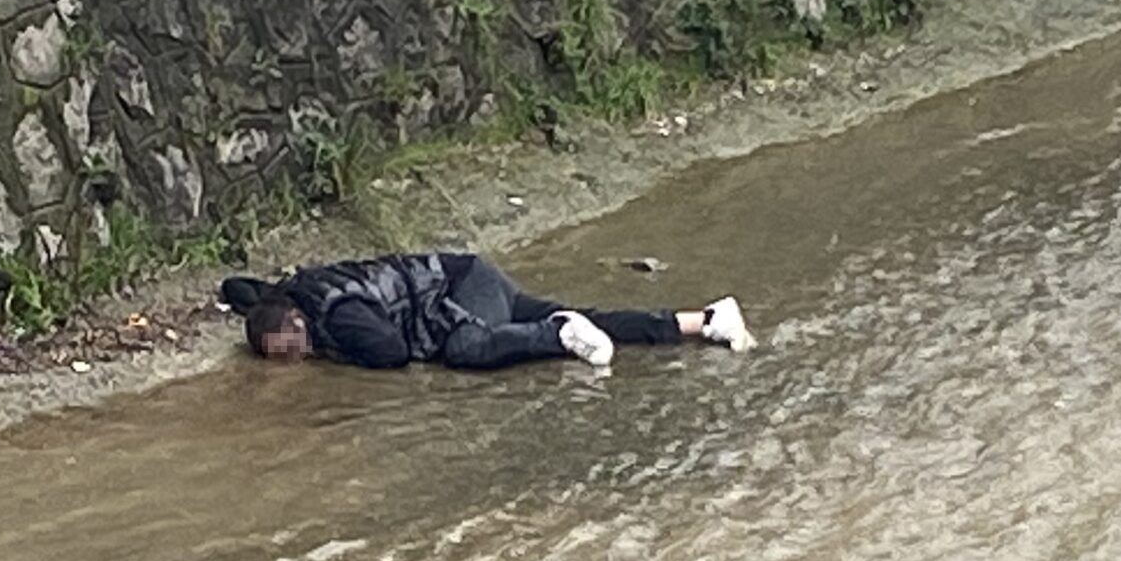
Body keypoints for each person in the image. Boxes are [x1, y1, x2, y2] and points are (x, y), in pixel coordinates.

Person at [220, 251, 756, 370]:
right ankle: (705, 321)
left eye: (291, 348)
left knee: (465, 348)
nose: (293, 358)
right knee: (597, 319)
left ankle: (555, 335)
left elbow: (392, 352)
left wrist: (328, 356)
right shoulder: (296, 290)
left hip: (456, 289)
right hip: (469, 275)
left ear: (297, 323)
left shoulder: (338, 317)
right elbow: (235, 286)